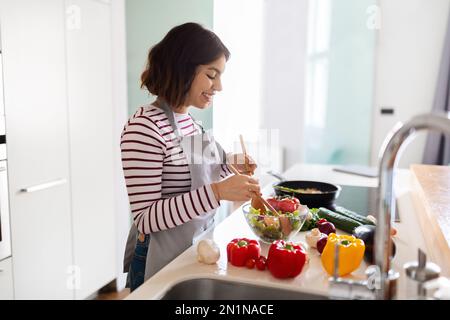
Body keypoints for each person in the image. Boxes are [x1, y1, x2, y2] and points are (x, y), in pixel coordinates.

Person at [121, 22, 260, 292]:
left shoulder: (190, 122)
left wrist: (230, 164)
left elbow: (197, 179)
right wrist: (218, 191)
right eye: (211, 74)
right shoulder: (143, 128)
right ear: (183, 68)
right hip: (157, 262)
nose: (218, 86)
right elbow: (146, 218)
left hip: (193, 251)